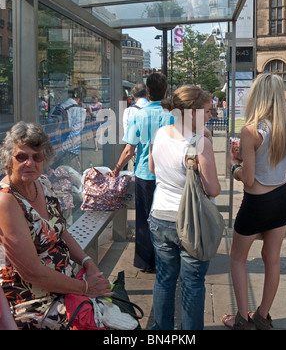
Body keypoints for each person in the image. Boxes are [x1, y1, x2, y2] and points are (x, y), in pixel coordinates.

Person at [0, 121, 113, 330]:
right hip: (33, 299)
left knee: (112, 312)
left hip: (64, 285)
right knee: (104, 321)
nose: (29, 163)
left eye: (37, 157)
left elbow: (61, 231)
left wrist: (88, 263)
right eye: (21, 156)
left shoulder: (42, 183)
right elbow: (31, 272)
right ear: (8, 158)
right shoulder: (6, 200)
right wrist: (87, 288)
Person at [221, 74, 286, 330]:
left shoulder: (251, 130)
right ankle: (262, 315)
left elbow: (250, 179)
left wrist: (235, 166)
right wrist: (245, 158)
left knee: (238, 258)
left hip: (256, 203)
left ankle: (241, 318)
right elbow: (271, 165)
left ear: (257, 96)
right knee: (272, 258)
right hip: (282, 198)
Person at [148, 84, 221, 330]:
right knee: (192, 283)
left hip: (159, 217)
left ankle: (162, 329)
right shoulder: (199, 144)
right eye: (208, 111)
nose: (211, 116)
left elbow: (152, 169)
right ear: (191, 113)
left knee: (165, 279)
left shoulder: (159, 133)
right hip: (191, 222)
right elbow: (212, 189)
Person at [110, 73, 174, 272]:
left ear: (148, 92)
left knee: (145, 218)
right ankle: (167, 258)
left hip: (145, 174)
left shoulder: (140, 114)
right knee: (166, 217)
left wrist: (117, 168)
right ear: (165, 92)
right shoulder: (172, 115)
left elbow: (129, 149)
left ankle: (146, 261)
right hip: (168, 175)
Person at [54, 92, 87, 173]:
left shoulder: (56, 108)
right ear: (79, 99)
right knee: (72, 181)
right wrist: (60, 152)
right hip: (70, 154)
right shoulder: (80, 111)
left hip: (53, 150)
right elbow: (74, 136)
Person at [122, 83, 148, 171]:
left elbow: (129, 137)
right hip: (155, 158)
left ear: (133, 96)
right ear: (147, 94)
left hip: (136, 157)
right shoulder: (157, 110)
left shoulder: (128, 111)